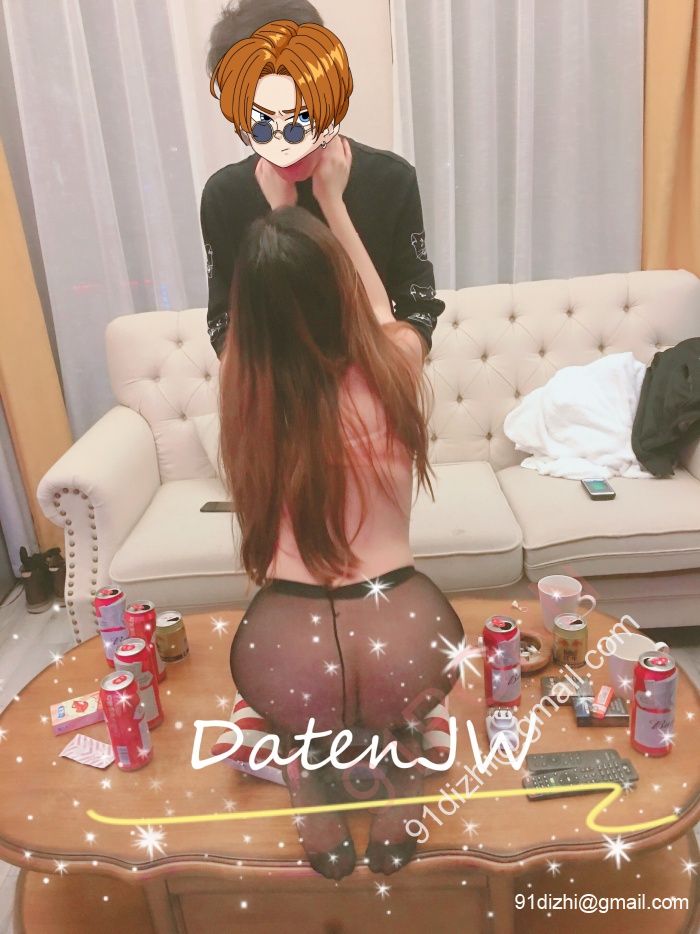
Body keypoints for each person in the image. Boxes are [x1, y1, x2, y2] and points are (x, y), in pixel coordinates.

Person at [219, 136, 464, 880]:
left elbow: (248, 334)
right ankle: (401, 759)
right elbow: (382, 309)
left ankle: (306, 765)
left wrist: (275, 217)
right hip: (405, 636)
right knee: (401, 711)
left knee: (305, 715)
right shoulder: (393, 365)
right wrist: (328, 202)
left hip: (283, 652)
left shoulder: (242, 391)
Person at [201, 3, 444, 360]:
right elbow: (227, 331)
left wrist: (332, 204)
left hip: (379, 385)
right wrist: (284, 218)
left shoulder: (391, 180)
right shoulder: (225, 197)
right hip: (279, 392)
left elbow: (416, 314)